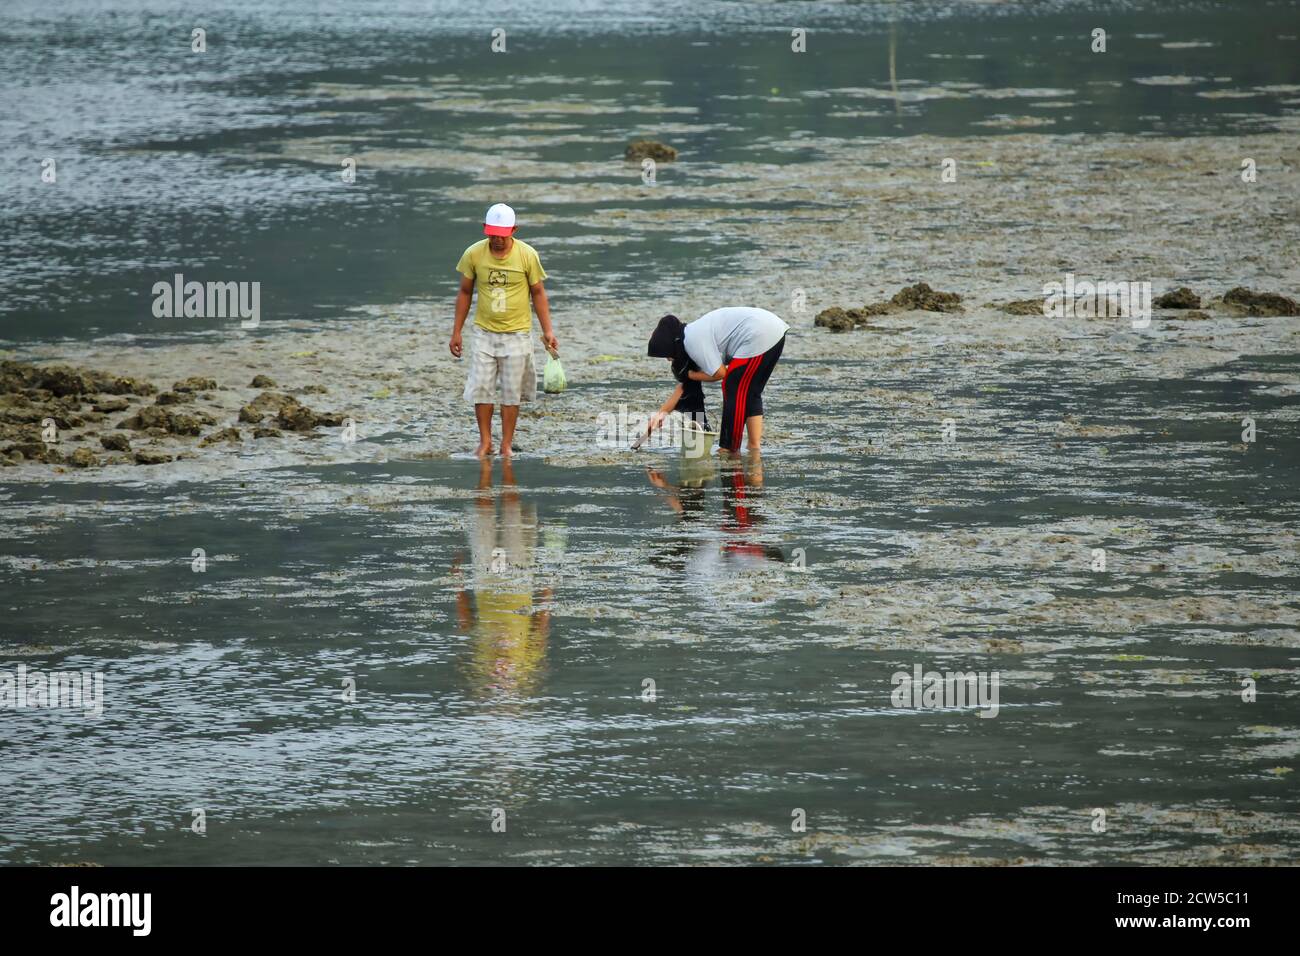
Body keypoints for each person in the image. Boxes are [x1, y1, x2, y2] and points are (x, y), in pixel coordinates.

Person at [449, 203, 559, 458]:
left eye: (502, 234)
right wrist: (457, 332)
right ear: (485, 230)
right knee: (482, 387)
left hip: (517, 334)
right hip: (484, 333)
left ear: (514, 230)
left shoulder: (527, 255)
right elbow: (465, 292)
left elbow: (538, 293)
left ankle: (506, 444)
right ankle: (485, 441)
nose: (497, 240)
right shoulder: (474, 254)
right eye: (492, 234)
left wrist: (548, 331)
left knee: (511, 392)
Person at [646, 307, 788, 454]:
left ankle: (728, 448)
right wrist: (661, 413)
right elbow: (684, 387)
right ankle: (754, 447)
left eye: (668, 355)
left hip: (757, 334)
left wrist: (692, 375)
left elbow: (720, 373)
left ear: (673, 345)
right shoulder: (690, 335)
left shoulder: (693, 340)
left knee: (732, 386)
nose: (669, 359)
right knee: (751, 391)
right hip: (773, 330)